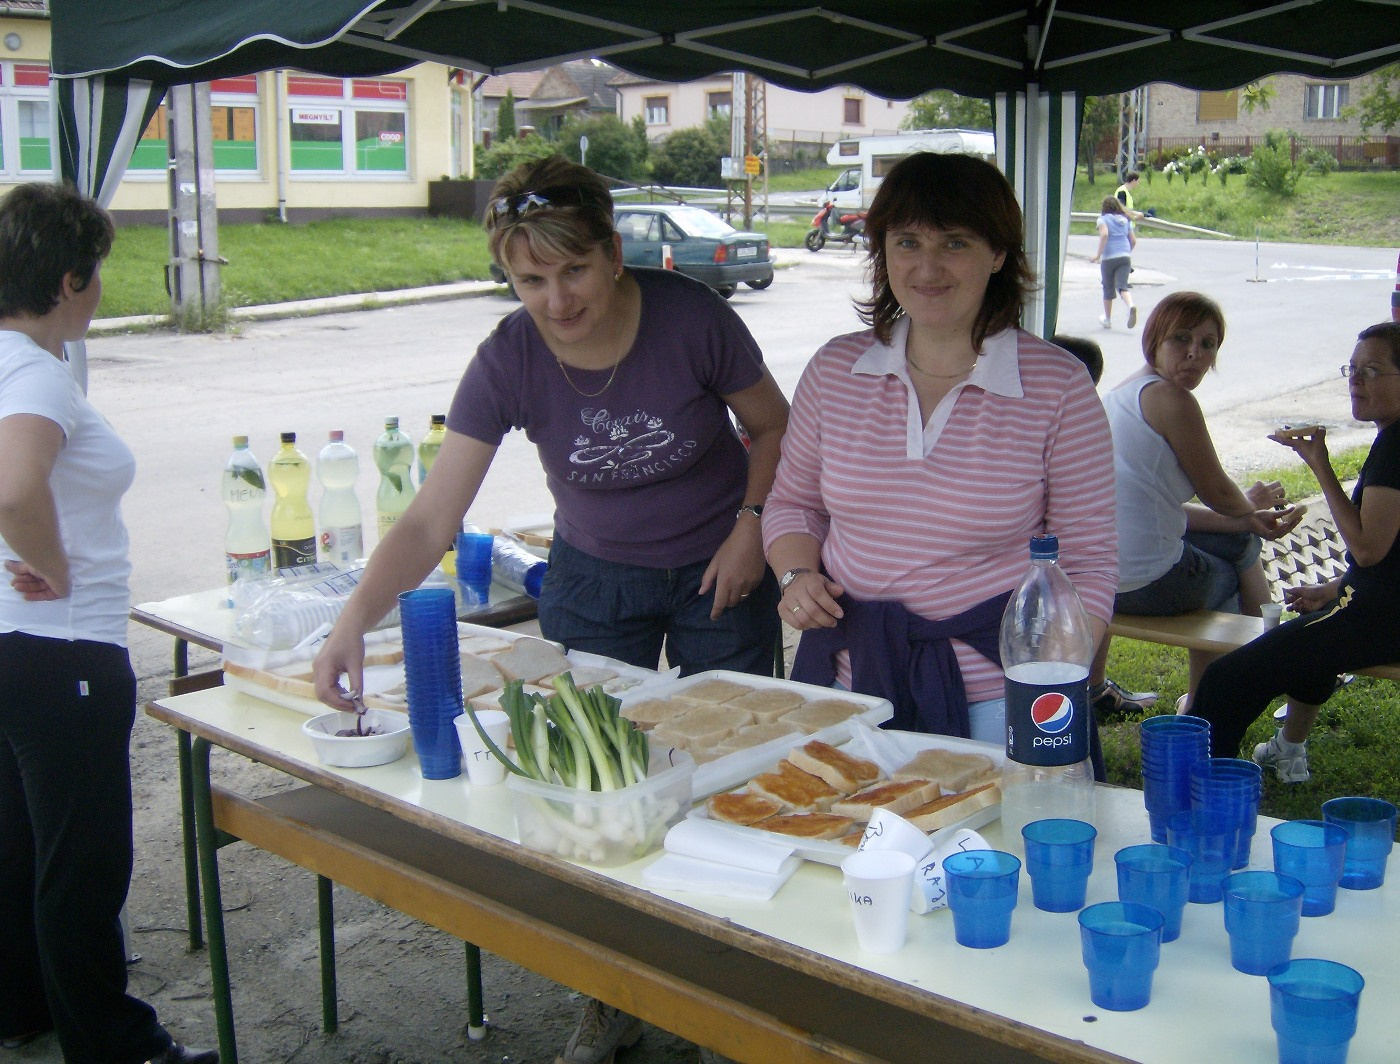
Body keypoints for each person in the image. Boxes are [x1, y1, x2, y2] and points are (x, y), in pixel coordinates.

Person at [311, 154, 788, 1064]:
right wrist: (352, 622)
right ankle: (609, 991)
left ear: (612, 253)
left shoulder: (691, 316)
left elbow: (774, 424)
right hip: (592, 577)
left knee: (730, 768)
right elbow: (431, 517)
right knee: (585, 792)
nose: (557, 298)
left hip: (719, 566)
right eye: (531, 278)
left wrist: (753, 529)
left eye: (573, 270)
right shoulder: (508, 357)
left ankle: (725, 980)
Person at [762, 151, 1118, 760]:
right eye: (906, 242)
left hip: (998, 694)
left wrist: (1054, 688)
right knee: (845, 844)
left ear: (998, 254)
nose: (927, 267)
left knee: (991, 851)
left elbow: (1087, 564)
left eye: (955, 243)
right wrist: (796, 576)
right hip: (851, 683)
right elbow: (793, 503)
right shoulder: (835, 370)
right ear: (882, 251)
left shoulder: (1057, 387)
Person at [0, 184, 217, 1063]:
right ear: (68, 280)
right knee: (81, 864)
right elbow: (15, 487)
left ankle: (23, 1009)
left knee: (21, 850)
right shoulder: (36, 372)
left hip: (14, 652)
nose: (99, 292)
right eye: (95, 276)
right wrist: (51, 563)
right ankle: (117, 1046)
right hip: (65, 652)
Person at [1193, 322, 1400, 779]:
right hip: (1376, 606)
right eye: (1353, 368)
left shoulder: (1395, 448)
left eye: (1373, 370)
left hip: (1382, 618)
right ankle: (1287, 750)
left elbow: (1368, 550)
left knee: (1225, 680)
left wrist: (1320, 464)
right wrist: (1335, 588)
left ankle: (1205, 795)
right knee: (1308, 646)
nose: (1356, 380)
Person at [1086, 292, 1304, 715]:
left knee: (1242, 537)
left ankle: (1095, 691)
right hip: (1144, 586)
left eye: (1208, 344)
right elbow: (1220, 496)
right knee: (1235, 564)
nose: (1195, 354)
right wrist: (1249, 504)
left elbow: (1161, 510)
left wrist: (1246, 519)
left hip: (1098, 580)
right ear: (1154, 341)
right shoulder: (1173, 400)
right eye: (1180, 339)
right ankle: (1215, 698)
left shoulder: (1119, 395)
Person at [1051, 334, 1160, 718]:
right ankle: (1204, 699)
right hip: (1075, 578)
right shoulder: (1091, 414)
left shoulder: (1086, 415)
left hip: (1089, 575)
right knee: (1237, 554)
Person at [1090, 197, 1137, 330]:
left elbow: (1104, 235)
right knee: (1122, 287)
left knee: (1108, 288)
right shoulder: (1126, 220)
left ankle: (1108, 319)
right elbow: (1133, 241)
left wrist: (1098, 255)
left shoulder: (1103, 220)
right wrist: (1126, 252)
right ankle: (1131, 306)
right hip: (1125, 257)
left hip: (1109, 258)